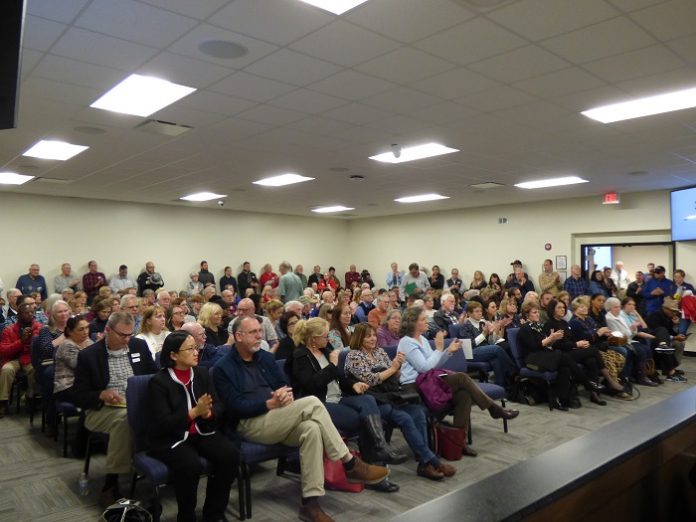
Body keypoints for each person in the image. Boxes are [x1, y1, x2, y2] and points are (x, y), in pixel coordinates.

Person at [213, 316, 389, 522]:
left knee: (312, 430)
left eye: (260, 331)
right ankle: (349, 463)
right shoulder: (222, 368)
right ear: (238, 336)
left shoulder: (265, 359)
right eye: (253, 333)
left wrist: (283, 395)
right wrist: (268, 404)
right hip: (249, 423)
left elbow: (282, 385)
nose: (260, 336)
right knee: (313, 402)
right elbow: (234, 408)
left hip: (277, 417)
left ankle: (310, 503)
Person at [288, 317, 407, 473]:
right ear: (313, 339)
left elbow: (339, 378)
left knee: (368, 400)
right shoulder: (300, 356)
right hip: (319, 404)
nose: (328, 338)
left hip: (338, 398)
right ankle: (373, 466)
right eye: (325, 336)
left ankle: (380, 450)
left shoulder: (324, 351)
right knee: (362, 420)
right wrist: (332, 365)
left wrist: (353, 384)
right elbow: (311, 384)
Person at [346, 323, 459, 481]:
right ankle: (432, 461)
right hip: (374, 401)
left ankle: (424, 464)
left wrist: (398, 368)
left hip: (392, 395)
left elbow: (395, 377)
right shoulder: (354, 355)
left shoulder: (380, 352)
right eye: (368, 336)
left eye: (373, 335)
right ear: (359, 337)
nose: (372, 338)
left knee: (418, 413)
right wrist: (392, 369)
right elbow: (370, 380)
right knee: (404, 418)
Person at [146, 331, 238, 522]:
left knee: (229, 454)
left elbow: (220, 405)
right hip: (171, 438)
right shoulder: (159, 382)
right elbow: (162, 424)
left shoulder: (202, 373)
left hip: (201, 431)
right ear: (173, 355)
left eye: (196, 348)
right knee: (190, 465)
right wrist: (194, 413)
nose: (196, 352)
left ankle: (214, 514)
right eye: (190, 349)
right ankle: (186, 517)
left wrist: (208, 413)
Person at [398, 306, 518, 444]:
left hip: (428, 381)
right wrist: (438, 349)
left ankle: (458, 442)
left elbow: (433, 365)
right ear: (413, 323)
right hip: (414, 386)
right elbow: (424, 368)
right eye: (423, 319)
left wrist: (448, 351)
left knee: (464, 396)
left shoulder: (422, 340)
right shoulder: (406, 342)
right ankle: (493, 408)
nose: (427, 322)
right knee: (461, 377)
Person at [73, 312, 157, 506]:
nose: (127, 340)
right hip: (102, 409)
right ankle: (111, 484)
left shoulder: (138, 346)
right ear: (108, 331)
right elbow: (78, 395)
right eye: (122, 335)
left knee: (165, 413)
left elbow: (154, 374)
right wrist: (100, 394)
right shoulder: (89, 355)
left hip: (138, 404)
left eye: (130, 334)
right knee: (126, 419)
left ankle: (162, 468)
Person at [516, 302, 603, 410]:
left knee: (565, 368)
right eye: (534, 312)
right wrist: (550, 339)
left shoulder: (537, 327)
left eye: (538, 312)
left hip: (542, 356)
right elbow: (533, 346)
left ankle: (560, 399)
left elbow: (545, 345)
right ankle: (587, 383)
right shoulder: (525, 329)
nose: (538, 314)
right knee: (562, 355)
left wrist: (552, 340)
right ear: (527, 314)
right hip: (532, 360)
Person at [545, 299, 630, 405]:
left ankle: (595, 394)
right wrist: (576, 344)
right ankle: (610, 381)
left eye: (563, 307)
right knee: (593, 351)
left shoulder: (564, 323)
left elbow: (570, 340)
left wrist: (579, 344)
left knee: (592, 360)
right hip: (562, 355)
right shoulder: (549, 324)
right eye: (559, 307)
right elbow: (556, 346)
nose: (562, 309)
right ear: (552, 309)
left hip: (572, 350)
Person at [451, 301, 516, 388]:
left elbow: (490, 342)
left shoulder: (482, 323)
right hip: (471, 352)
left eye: (480, 311)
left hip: (484, 349)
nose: (480, 313)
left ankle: (501, 387)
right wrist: (484, 334)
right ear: (469, 313)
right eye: (477, 311)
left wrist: (491, 333)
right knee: (496, 349)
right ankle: (513, 371)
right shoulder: (465, 326)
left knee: (496, 360)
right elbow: (470, 344)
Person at [0, 303, 42, 417]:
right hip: (13, 359)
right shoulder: (9, 330)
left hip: (29, 358)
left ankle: (30, 397)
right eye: (26, 313)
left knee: (34, 369)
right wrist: (21, 341)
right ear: (18, 315)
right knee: (6, 370)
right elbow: (4, 351)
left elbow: (38, 347)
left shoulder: (38, 327)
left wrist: (31, 339)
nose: (30, 315)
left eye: (31, 313)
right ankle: (3, 402)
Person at [604, 297, 656, 386]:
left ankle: (645, 374)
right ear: (609, 308)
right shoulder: (610, 318)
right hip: (619, 342)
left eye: (618, 307)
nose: (618, 309)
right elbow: (619, 334)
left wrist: (632, 328)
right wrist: (632, 329)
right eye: (615, 307)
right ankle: (638, 377)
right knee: (639, 351)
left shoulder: (619, 316)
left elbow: (633, 332)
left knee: (646, 348)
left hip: (628, 340)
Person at [53, 315, 93, 404]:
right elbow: (81, 367)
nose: (86, 332)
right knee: (97, 397)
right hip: (67, 387)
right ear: (70, 331)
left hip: (84, 385)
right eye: (81, 329)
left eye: (87, 328)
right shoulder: (67, 345)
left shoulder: (88, 341)